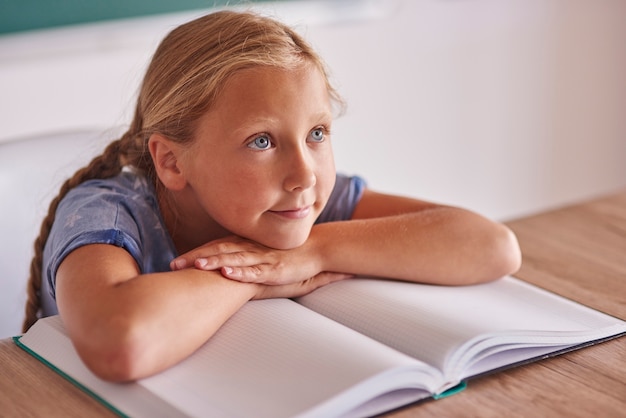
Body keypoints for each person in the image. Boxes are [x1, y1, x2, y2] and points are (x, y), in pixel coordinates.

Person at [23, 10, 521, 382]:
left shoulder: (297, 209)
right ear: (172, 161)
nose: (304, 174)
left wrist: (312, 252)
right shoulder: (107, 211)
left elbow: (492, 246)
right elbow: (121, 343)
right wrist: (257, 274)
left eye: (318, 133)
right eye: (262, 141)